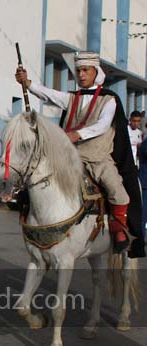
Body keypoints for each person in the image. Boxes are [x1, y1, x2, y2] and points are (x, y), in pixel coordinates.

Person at [15, 51, 144, 256]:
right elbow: (49, 94)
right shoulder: (72, 98)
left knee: (118, 191)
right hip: (69, 157)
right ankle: (27, 213)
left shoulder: (109, 100)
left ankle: (120, 230)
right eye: (78, 71)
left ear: (96, 72)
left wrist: (78, 134)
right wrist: (28, 83)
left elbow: (102, 126)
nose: (81, 75)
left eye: (85, 70)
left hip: (97, 158)